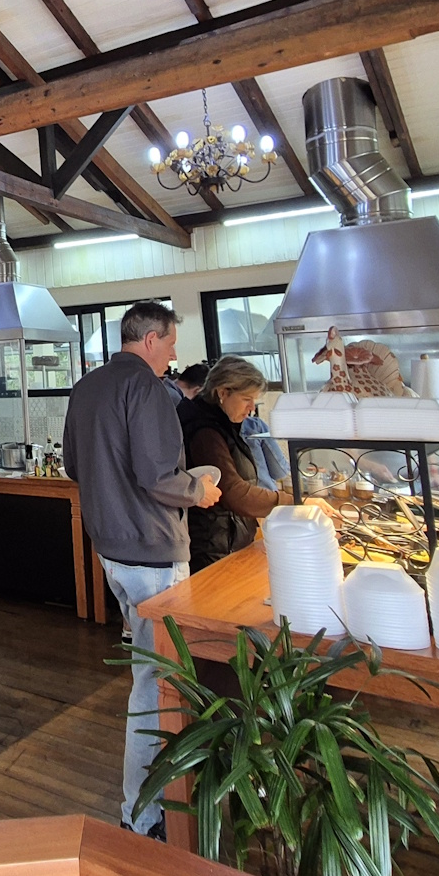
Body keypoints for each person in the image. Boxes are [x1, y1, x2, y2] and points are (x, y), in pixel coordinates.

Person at [62, 301, 220, 840]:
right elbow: (158, 476)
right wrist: (200, 490)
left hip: (111, 550)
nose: (174, 354)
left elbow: (74, 466)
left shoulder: (87, 386)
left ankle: (159, 802)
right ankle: (143, 815)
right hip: (153, 550)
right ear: (150, 339)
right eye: (171, 343)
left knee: (151, 674)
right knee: (157, 685)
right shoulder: (148, 389)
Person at [178, 358, 287, 569]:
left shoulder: (223, 423)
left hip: (227, 540)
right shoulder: (205, 432)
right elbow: (233, 492)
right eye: (247, 399)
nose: (251, 408)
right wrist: (294, 503)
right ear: (223, 392)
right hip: (212, 546)